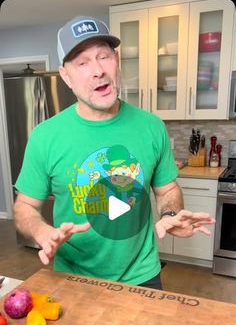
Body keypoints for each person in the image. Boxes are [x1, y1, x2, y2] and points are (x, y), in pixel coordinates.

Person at [14, 15, 215, 290]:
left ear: (117, 60)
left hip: (142, 275)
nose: (98, 70)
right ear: (66, 75)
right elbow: (25, 206)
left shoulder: (151, 127)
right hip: (73, 278)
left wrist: (170, 215)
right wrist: (41, 231)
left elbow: (167, 190)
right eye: (82, 62)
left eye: (104, 56)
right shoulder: (44, 137)